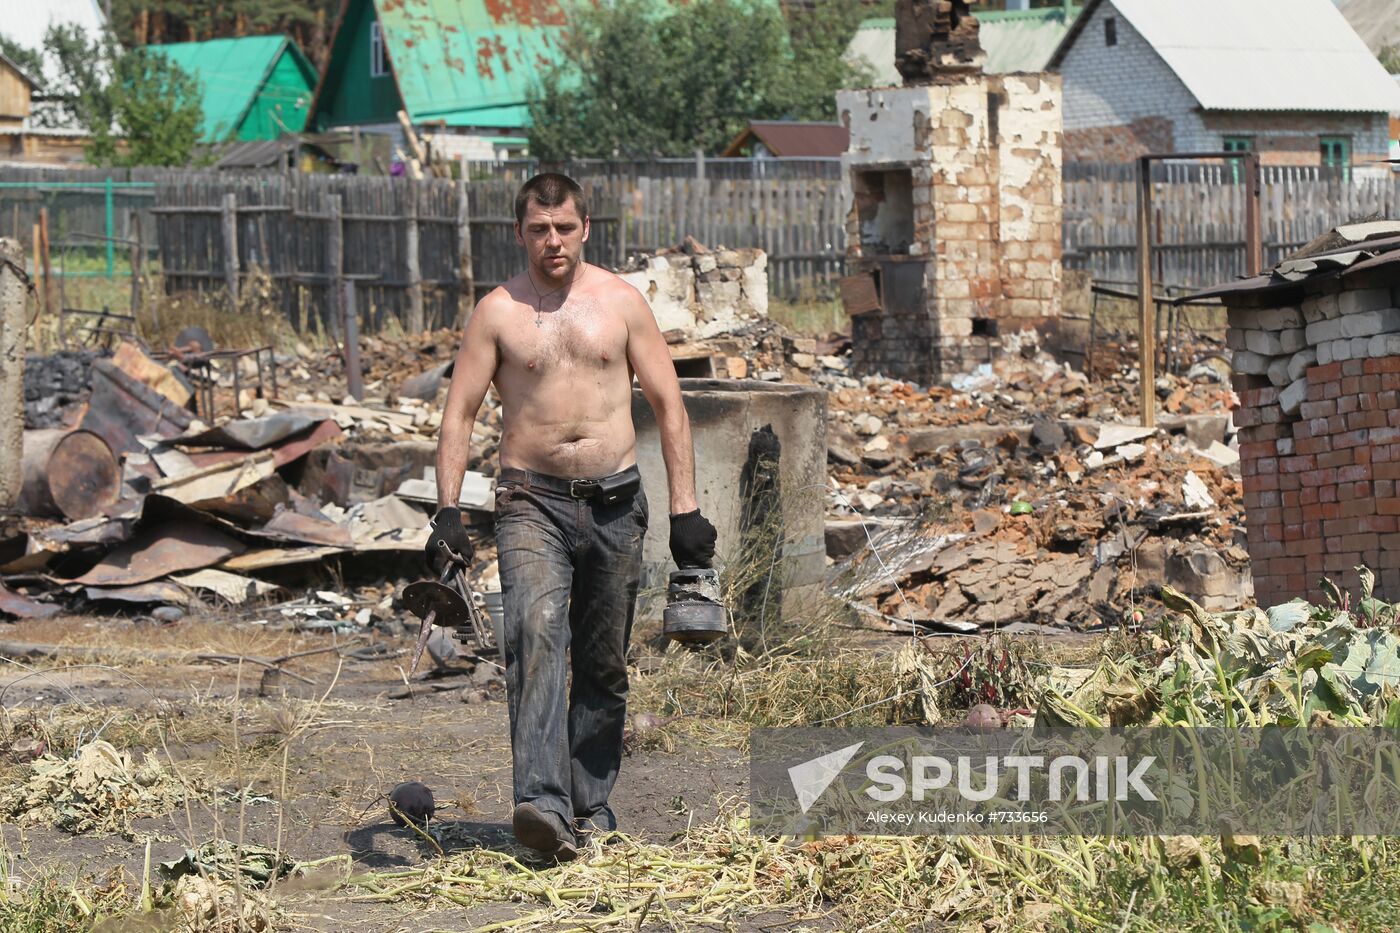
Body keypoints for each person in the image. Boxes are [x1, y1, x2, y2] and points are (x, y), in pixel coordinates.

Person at [429, 173, 717, 860]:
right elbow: (460, 413)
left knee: (602, 660)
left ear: (585, 228)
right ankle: (543, 804)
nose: (551, 240)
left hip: (617, 503)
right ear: (520, 232)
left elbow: (670, 405)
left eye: (563, 227)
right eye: (538, 228)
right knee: (533, 633)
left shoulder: (621, 303)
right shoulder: (498, 312)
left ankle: (592, 803)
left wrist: (687, 512)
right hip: (531, 501)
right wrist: (447, 512)